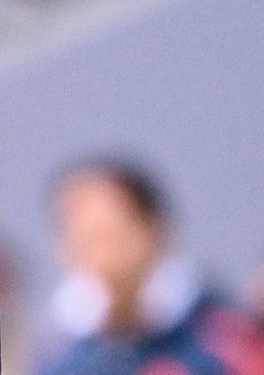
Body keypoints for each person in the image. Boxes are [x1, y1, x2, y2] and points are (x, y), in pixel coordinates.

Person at [38, 159, 264, 374]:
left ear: (154, 230)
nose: (102, 259)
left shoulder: (219, 337)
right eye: (84, 240)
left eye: (109, 236)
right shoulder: (57, 350)